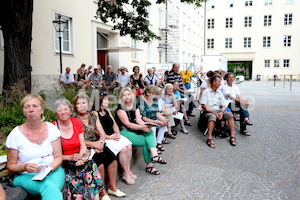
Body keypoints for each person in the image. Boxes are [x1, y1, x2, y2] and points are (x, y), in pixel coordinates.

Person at [6, 94, 65, 200]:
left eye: (35, 106)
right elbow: (10, 166)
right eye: (27, 107)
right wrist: (24, 167)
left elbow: (58, 157)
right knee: (49, 187)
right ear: (23, 111)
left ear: (42, 110)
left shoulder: (51, 129)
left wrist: (49, 169)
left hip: (53, 171)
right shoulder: (15, 135)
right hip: (25, 175)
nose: (31, 110)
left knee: (51, 187)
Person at [71, 94, 126, 198]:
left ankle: (112, 188)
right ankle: (102, 192)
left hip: (98, 144)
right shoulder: (74, 119)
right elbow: (77, 140)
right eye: (78, 103)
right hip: (84, 147)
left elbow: (101, 133)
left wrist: (100, 143)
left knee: (113, 159)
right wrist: (93, 145)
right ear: (75, 106)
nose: (82, 106)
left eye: (84, 103)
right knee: (99, 164)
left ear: (88, 104)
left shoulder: (93, 116)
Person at [53, 99, 104, 200]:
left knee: (90, 165)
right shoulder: (53, 127)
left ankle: (96, 198)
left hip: (80, 158)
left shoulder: (76, 122)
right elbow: (53, 154)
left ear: (71, 111)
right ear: (56, 113)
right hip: (66, 163)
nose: (63, 112)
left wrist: (81, 157)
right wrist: (71, 158)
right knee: (78, 176)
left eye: (65, 109)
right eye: (60, 110)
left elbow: (82, 144)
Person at [116, 87, 167, 175]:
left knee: (149, 131)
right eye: (124, 95)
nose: (127, 97)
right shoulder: (120, 108)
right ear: (121, 97)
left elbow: (139, 120)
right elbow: (127, 124)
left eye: (128, 94)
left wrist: (146, 126)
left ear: (131, 95)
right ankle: (149, 165)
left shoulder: (134, 106)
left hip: (135, 129)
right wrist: (141, 128)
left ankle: (154, 156)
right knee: (145, 141)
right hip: (125, 132)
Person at [200, 75, 237, 148]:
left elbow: (224, 104)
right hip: (209, 111)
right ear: (213, 82)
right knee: (212, 116)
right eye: (219, 82)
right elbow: (204, 106)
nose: (220, 84)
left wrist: (221, 112)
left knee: (229, 114)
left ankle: (232, 136)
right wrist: (215, 113)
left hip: (218, 110)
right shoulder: (206, 92)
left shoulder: (219, 92)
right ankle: (209, 138)